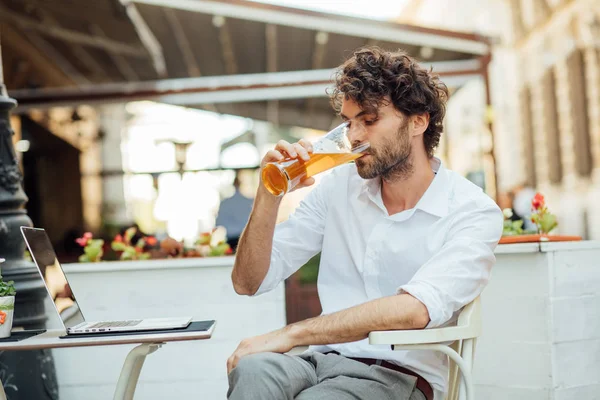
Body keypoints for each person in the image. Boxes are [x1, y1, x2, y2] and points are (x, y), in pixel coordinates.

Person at [227, 47, 503, 400]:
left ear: (418, 121)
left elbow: (414, 310)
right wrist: (269, 193)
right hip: (320, 362)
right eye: (349, 121)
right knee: (252, 370)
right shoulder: (339, 188)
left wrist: (292, 334)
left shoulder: (471, 211)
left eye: (369, 120)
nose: (354, 136)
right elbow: (248, 281)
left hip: (398, 377)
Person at [215, 172, 253, 252]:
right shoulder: (249, 202)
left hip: (232, 240)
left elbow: (218, 223)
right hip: (246, 239)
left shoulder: (225, 203)